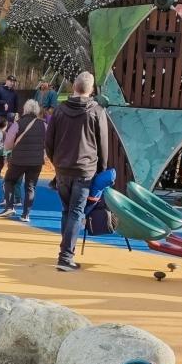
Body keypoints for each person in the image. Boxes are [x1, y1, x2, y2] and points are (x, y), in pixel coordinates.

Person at [43, 71, 115, 271]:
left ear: (74, 87)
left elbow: (49, 141)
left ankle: (66, 249)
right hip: (85, 170)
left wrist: (56, 161)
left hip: (63, 169)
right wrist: (101, 169)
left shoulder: (59, 110)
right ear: (91, 90)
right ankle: (65, 256)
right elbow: (103, 145)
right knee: (76, 211)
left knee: (68, 210)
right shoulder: (96, 112)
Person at [1, 99, 48, 220]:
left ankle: (10, 207)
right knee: (30, 186)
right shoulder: (43, 125)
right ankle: (26, 214)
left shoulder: (17, 124)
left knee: (9, 181)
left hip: (18, 160)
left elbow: (8, 145)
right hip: (36, 161)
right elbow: (48, 143)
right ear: (37, 111)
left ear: (24, 110)